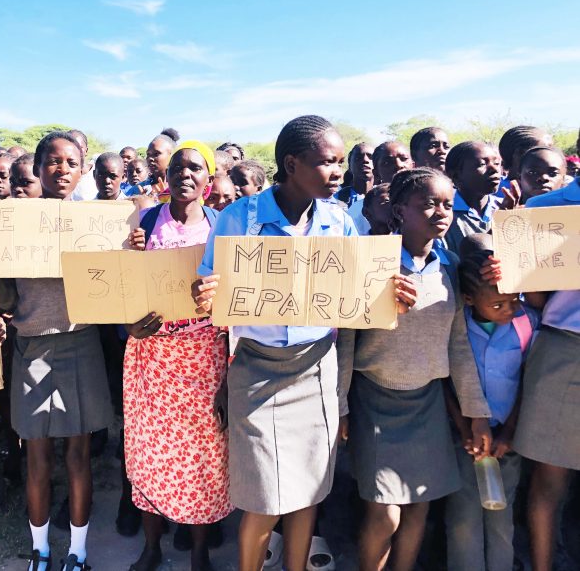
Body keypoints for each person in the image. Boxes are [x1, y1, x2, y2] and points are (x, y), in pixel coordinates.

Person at [192, 116, 415, 571]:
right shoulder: (242, 217)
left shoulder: (337, 221)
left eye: (339, 162)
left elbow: (360, 293)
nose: (338, 172)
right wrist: (203, 294)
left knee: (307, 490)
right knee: (263, 498)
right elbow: (207, 288)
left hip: (316, 370)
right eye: (327, 162)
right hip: (256, 370)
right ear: (291, 164)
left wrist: (392, 296)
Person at [337, 167, 490, 571]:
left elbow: (458, 344)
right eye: (428, 204)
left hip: (426, 403)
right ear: (400, 210)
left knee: (419, 506)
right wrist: (340, 407)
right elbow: (346, 342)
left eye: (446, 204)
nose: (441, 212)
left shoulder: (451, 265)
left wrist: (476, 412)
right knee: (384, 513)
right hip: (375, 398)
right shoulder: (372, 261)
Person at [2, 131, 112, 571]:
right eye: (52, 161)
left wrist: (129, 251)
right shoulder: (11, 221)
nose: (62, 169)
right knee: (37, 455)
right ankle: (40, 549)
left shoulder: (97, 223)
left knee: (78, 454)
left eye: (71, 162)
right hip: (31, 346)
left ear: (83, 170)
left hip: (79, 341)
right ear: (38, 167)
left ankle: (77, 552)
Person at [123, 141, 230, 571]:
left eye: (195, 168)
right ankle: (151, 548)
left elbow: (237, 302)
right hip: (151, 358)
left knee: (204, 460)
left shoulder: (224, 227)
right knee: (149, 454)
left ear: (208, 180)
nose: (185, 174)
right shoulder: (146, 223)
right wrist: (128, 325)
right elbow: (124, 288)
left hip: (205, 359)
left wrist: (229, 378)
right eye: (178, 168)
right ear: (165, 178)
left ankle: (199, 554)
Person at [484, 173, 580, 571]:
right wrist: (516, 247)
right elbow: (537, 299)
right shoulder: (545, 210)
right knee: (549, 478)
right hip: (565, 350)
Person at [444, 234, 539, 571]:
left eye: (514, 300)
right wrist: (464, 428)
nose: (508, 309)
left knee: (502, 518)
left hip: (505, 442)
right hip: (463, 441)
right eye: (498, 305)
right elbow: (448, 384)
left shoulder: (526, 323)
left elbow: (529, 379)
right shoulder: (457, 328)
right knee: (462, 520)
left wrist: (509, 431)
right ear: (469, 299)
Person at [443, 141, 501, 254]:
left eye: (497, 163)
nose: (494, 169)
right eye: (482, 164)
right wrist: (501, 222)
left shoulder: (507, 208)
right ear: (455, 175)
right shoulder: (445, 214)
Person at [348, 141, 412, 235]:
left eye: (404, 159)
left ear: (413, 166)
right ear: (376, 173)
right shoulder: (358, 210)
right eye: (387, 162)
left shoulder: (428, 202)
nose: (398, 165)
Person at [497, 125, 553, 191]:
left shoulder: (554, 190)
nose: (552, 155)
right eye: (544, 151)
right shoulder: (493, 192)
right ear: (519, 154)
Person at [334, 143, 374, 208]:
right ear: (350, 166)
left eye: (371, 157)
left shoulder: (386, 198)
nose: (365, 160)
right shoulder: (335, 200)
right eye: (358, 157)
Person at [67, 129, 98, 201]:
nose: (75, 151)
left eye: (79, 147)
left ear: (86, 151)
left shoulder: (99, 173)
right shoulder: (60, 175)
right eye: (71, 147)